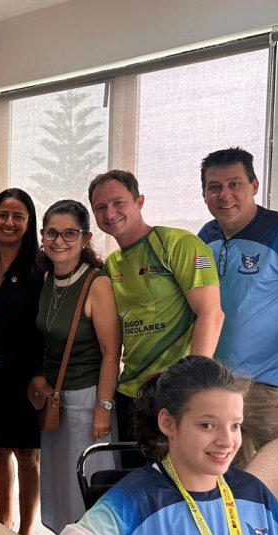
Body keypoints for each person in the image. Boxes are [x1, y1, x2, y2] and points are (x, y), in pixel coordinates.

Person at [43, 355, 278, 535]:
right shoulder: (139, 497)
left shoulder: (253, 494)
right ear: (168, 423)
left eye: (235, 426)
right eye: (207, 425)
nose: (226, 441)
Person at [89, 170, 223, 442]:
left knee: (178, 480)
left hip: (175, 390)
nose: (110, 213)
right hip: (131, 393)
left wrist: (194, 386)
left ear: (139, 201)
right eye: (100, 207)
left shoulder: (178, 243)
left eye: (118, 203)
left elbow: (211, 313)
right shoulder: (112, 264)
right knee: (135, 480)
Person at [30, 200, 121, 532]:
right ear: (42, 236)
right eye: (52, 232)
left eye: (70, 233)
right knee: (58, 482)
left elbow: (112, 353)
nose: (59, 241)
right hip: (55, 400)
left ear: (85, 239)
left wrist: (103, 407)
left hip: (87, 399)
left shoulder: (97, 284)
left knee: (84, 483)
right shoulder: (48, 279)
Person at [197, 147, 278, 467]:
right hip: (217, 385)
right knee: (228, 488)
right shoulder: (205, 236)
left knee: (269, 490)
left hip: (267, 392)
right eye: (214, 186)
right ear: (204, 193)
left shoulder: (276, 230)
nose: (224, 194)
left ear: (254, 185)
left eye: (235, 184)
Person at [0, 189, 44, 535]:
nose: (9, 222)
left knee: (26, 454)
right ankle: (4, 526)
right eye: (2, 214)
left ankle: (26, 531)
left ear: (29, 222)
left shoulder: (40, 266)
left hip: (28, 374)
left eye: (18, 216)